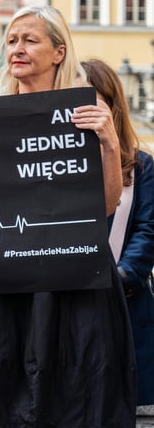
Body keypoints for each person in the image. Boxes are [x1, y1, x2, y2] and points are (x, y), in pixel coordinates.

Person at [0, 6, 135, 426]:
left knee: (77, 394)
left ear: (59, 51)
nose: (17, 49)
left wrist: (109, 144)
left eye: (30, 39)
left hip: (73, 279)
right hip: (5, 281)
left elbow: (105, 205)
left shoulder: (83, 111)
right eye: (11, 41)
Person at [82, 58, 154, 408]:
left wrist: (122, 277)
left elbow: (148, 228)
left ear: (112, 107)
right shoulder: (50, 163)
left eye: (94, 101)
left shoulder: (140, 166)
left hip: (125, 302)